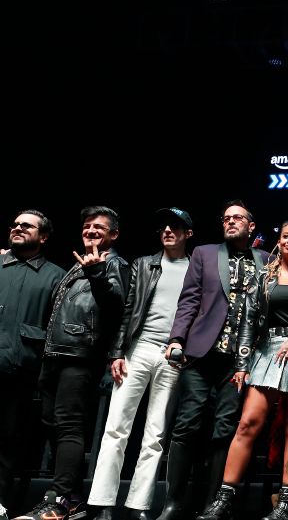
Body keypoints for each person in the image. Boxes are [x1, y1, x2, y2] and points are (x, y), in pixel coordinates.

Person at [198, 217, 288, 520]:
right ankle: (223, 499)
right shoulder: (265, 275)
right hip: (269, 349)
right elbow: (247, 321)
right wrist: (242, 364)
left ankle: (286, 503)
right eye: (284, 235)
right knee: (248, 424)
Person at [15, 207, 130, 520]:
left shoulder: (113, 263)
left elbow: (117, 305)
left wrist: (97, 274)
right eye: (87, 226)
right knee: (52, 423)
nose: (91, 231)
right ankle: (74, 495)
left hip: (80, 354)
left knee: (69, 425)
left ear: (113, 234)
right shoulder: (80, 264)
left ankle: (60, 499)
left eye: (99, 227)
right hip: (56, 353)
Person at [156, 200, 269, 520]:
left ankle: (212, 504)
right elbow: (189, 298)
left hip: (240, 361)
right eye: (226, 218)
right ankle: (173, 502)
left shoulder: (266, 259)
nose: (230, 222)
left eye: (238, 218)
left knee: (224, 428)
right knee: (186, 425)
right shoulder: (205, 253)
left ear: (251, 225)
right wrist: (177, 338)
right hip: (201, 353)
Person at [86, 208, 194, 520]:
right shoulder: (144, 264)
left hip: (172, 356)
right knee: (116, 427)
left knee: (156, 433)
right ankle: (102, 503)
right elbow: (129, 309)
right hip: (140, 348)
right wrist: (117, 352)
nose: (168, 231)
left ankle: (139, 505)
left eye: (176, 227)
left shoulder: (196, 268)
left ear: (188, 233)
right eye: (164, 227)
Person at [0, 211, 66, 517]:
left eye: (26, 225)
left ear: (43, 237)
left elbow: (56, 326)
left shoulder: (55, 275)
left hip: (21, 370)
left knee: (9, 440)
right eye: (15, 224)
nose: (17, 227)